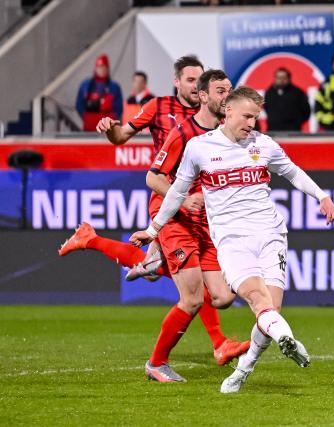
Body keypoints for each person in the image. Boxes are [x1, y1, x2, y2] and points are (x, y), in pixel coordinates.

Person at [129, 86, 334, 394]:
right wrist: (153, 229)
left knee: (270, 312)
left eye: (256, 117)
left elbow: (293, 173)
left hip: (271, 235)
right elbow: (176, 192)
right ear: (227, 111)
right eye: (247, 117)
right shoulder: (200, 148)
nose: (252, 124)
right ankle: (285, 341)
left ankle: (244, 370)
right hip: (232, 241)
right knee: (258, 301)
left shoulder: (263, 145)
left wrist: (322, 196)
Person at [60, 56, 247, 367]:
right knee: (189, 280)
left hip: (200, 202)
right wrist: (110, 128)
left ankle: (92, 240)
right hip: (169, 196)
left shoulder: (217, 118)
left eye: (200, 81)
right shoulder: (161, 109)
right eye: (190, 80)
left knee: (175, 271)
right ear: (178, 82)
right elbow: (121, 139)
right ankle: (214, 344)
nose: (196, 86)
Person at [142, 69, 251, 382]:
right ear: (203, 96)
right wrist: (182, 198)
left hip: (203, 224)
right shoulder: (183, 132)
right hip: (174, 217)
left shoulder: (223, 135)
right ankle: (156, 364)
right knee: (190, 298)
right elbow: (153, 177)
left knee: (224, 297)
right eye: (220, 91)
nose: (226, 97)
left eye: (229, 90)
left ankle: (160, 264)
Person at [76, 54, 123, 131]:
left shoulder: (114, 86)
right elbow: (79, 105)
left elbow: (119, 108)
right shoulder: (86, 85)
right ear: (96, 68)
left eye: (104, 68)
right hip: (89, 128)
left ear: (108, 69)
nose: (102, 70)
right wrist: (86, 117)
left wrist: (111, 121)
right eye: (100, 67)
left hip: (108, 129)